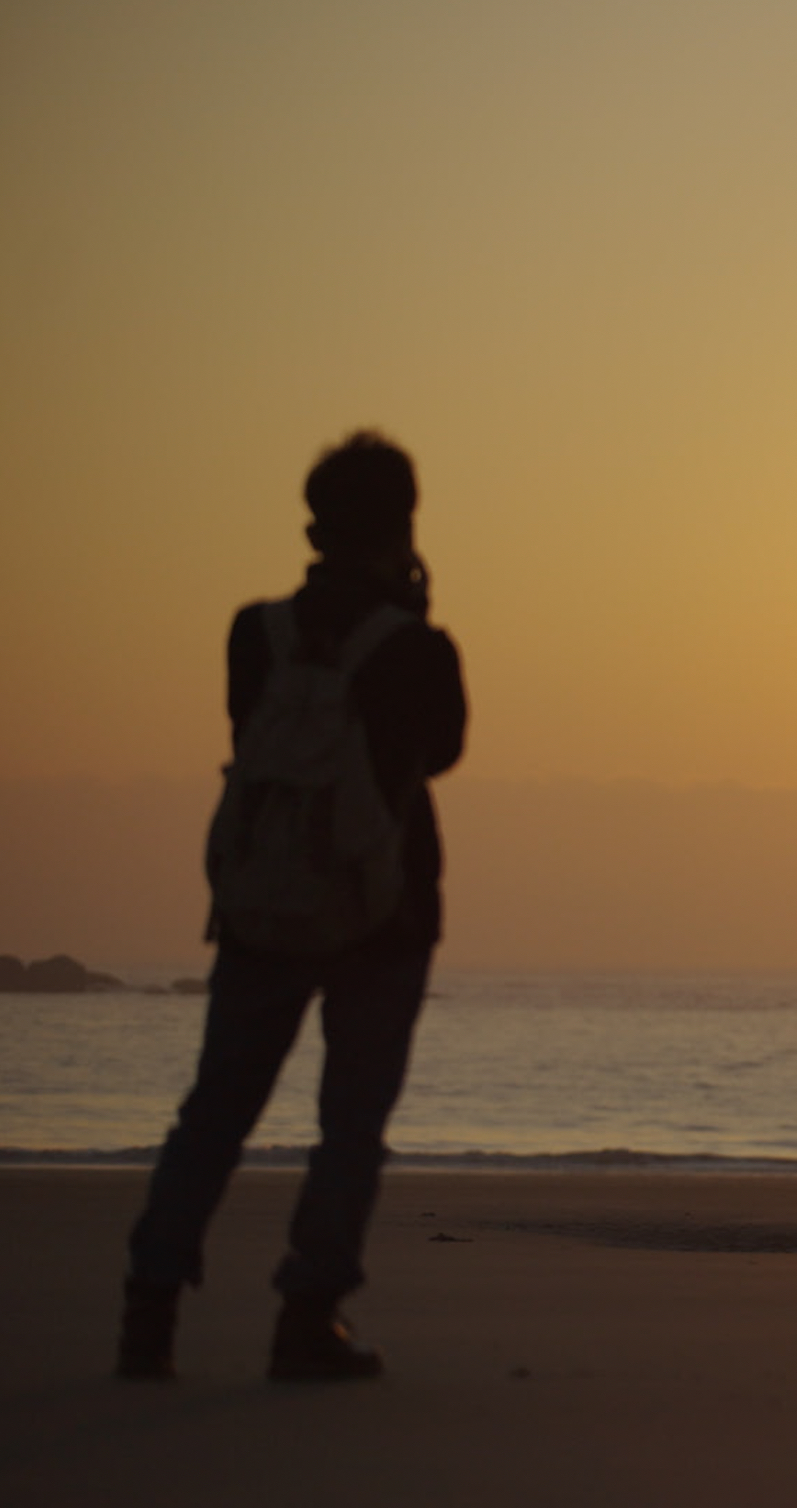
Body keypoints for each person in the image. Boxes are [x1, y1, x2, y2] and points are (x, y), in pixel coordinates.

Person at [119, 431, 467, 1381]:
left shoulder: (254, 632)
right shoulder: (416, 647)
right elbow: (439, 752)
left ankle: (149, 1307)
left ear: (313, 524)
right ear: (404, 526)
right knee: (349, 1122)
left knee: (217, 1108)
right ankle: (307, 1315)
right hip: (382, 912)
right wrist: (415, 613)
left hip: (261, 905)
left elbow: (249, 729)